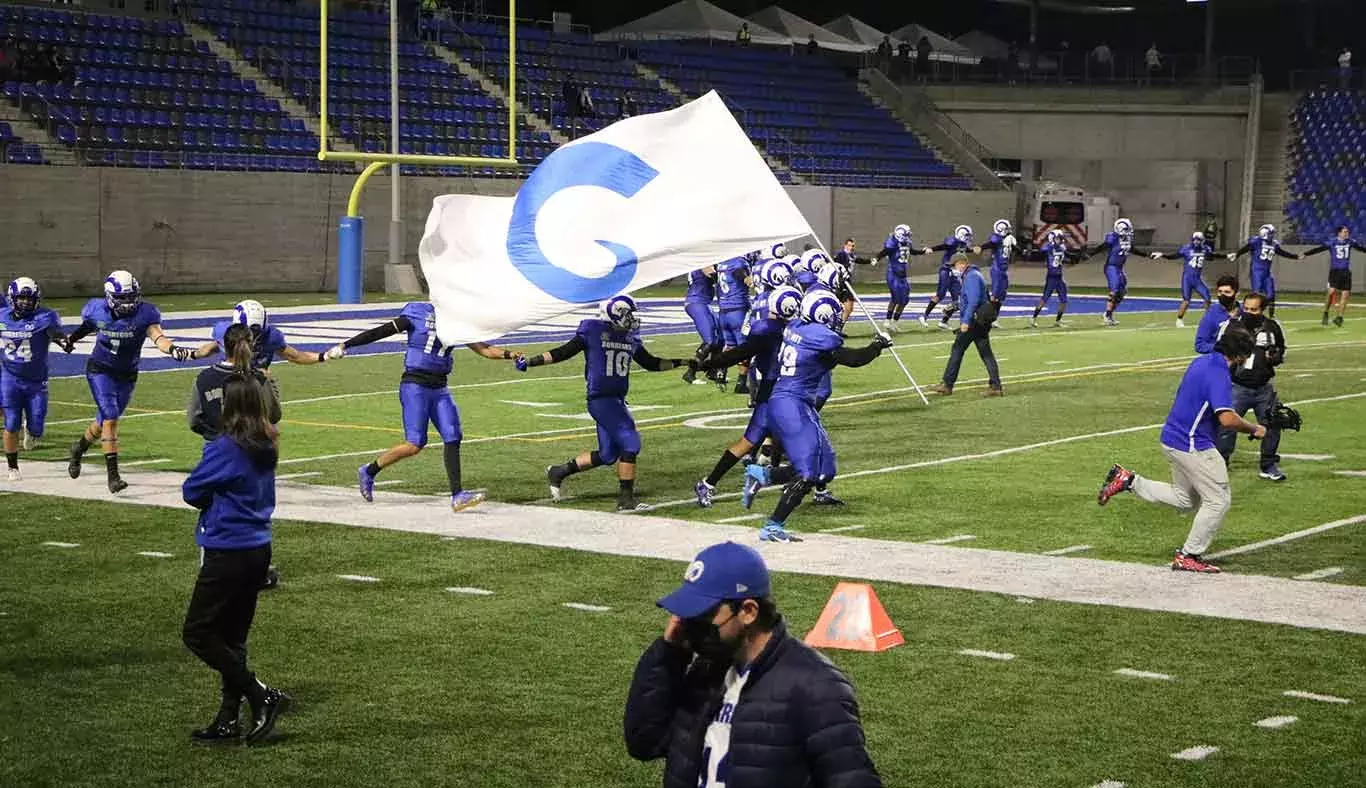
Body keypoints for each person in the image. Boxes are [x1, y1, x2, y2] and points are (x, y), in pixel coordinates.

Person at [624, 541, 883, 787]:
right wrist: (669, 654)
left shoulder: (816, 687)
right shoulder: (705, 671)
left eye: (703, 616)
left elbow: (851, 779)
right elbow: (644, 743)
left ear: (748, 611)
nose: (690, 626)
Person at [1097, 322, 1266, 574]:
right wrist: (1254, 428)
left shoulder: (1201, 362)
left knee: (1184, 499)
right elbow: (1227, 419)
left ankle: (1129, 481)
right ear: (1240, 356)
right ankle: (1189, 554)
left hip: (1173, 438)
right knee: (1218, 500)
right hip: (1192, 444)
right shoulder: (1218, 373)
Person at [324, 302, 521, 511]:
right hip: (415, 384)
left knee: (453, 435)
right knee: (415, 443)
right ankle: (369, 471)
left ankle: (457, 496)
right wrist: (346, 344)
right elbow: (382, 331)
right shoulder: (418, 313)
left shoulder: (458, 319)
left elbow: (485, 349)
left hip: (440, 386)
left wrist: (510, 355)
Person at [180, 373, 290, 745]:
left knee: (197, 633)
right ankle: (228, 718)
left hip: (227, 548)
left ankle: (259, 694)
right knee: (233, 637)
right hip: (259, 547)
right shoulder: (267, 441)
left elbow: (191, 491)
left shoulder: (225, 447)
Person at [740, 289, 890, 542]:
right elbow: (853, 359)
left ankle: (762, 474)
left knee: (825, 469)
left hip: (794, 403)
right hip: (791, 404)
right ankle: (773, 526)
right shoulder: (821, 338)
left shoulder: (798, 325)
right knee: (809, 472)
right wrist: (877, 345)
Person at [530, 295, 693, 511]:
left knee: (608, 455)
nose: (632, 319)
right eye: (627, 314)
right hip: (601, 399)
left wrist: (681, 362)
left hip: (616, 399)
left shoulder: (629, 338)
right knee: (631, 443)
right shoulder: (592, 331)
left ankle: (559, 471)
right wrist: (532, 361)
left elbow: (650, 363)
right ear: (613, 313)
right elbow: (563, 352)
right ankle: (626, 500)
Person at [62, 271, 203, 494]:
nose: (128, 303)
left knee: (103, 422)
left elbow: (158, 337)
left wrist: (173, 349)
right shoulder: (96, 310)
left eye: (131, 297)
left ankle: (78, 449)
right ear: (110, 297)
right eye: (122, 298)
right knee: (110, 417)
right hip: (101, 370)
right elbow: (89, 325)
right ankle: (113, 477)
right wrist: (71, 339)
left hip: (127, 374)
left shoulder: (145, 313)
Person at [188, 323, 284, 591]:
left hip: (216, 447)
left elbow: (194, 419)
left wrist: (213, 436)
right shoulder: (257, 378)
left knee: (215, 506)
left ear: (223, 345)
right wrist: (271, 381)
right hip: (256, 449)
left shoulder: (205, 377)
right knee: (256, 507)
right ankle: (258, 570)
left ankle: (211, 566)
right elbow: (274, 415)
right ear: (251, 345)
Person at [693, 285, 803, 507]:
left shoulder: (768, 328)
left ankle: (799, 481)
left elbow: (741, 353)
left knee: (787, 440)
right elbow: (742, 352)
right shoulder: (796, 330)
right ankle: (708, 482)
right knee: (756, 442)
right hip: (780, 393)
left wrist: (709, 363)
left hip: (779, 391)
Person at [1214, 292, 1288, 482]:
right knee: (1227, 426)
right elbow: (1218, 352)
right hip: (1237, 386)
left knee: (1273, 423)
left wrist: (1275, 357)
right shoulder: (1231, 326)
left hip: (1264, 387)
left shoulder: (1272, 327)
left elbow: (1281, 351)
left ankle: (1268, 464)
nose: (1248, 312)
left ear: (1262, 310)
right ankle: (1221, 463)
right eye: (1246, 308)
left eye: (1253, 309)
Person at [1, 277, 65, 481]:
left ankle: (32, 430)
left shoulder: (45, 316)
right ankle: (13, 467)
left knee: (36, 426)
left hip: (37, 381)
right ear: (12, 298)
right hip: (10, 377)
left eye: (30, 298)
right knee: (11, 422)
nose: (26, 302)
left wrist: (62, 340)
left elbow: (56, 333)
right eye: (21, 298)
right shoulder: (2, 316)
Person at [932, 252, 1003, 397]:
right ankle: (995, 386)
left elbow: (973, 301)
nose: (954, 269)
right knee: (986, 353)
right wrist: (953, 306)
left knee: (957, 349)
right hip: (979, 321)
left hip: (974, 321)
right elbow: (969, 299)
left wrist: (965, 322)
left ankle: (947, 384)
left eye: (954, 265)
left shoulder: (971, 277)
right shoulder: (972, 275)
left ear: (962, 263)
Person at [1227, 223, 1299, 318]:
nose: (1272, 235)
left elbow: (1282, 253)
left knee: (1270, 295)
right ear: (1264, 233)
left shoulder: (1274, 244)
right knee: (1257, 295)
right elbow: (1246, 248)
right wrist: (1237, 254)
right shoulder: (1256, 242)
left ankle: (1272, 316)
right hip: (1257, 271)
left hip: (1267, 273)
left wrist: (1296, 257)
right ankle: (1248, 314)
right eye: (1271, 233)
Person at [1087, 218, 1149, 326]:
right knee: (1114, 290)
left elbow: (1132, 249)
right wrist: (1090, 254)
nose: (1129, 231)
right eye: (1126, 229)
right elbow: (1103, 246)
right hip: (1111, 267)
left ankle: (1109, 314)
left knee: (1122, 292)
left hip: (1119, 268)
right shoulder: (1113, 237)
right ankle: (1107, 315)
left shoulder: (1126, 239)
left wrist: (1147, 255)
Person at [1300, 225, 1364, 326]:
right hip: (1335, 271)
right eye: (1344, 232)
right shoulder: (1332, 242)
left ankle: (1339, 317)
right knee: (1331, 292)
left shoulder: (1350, 242)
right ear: (1339, 233)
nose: (1347, 233)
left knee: (1345, 295)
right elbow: (1319, 249)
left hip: (1346, 272)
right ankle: (1326, 312)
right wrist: (1306, 253)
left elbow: (1361, 248)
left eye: (1347, 232)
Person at [1150, 230, 1214, 327]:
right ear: (1192, 240)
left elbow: (1213, 256)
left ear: (1202, 241)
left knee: (1207, 298)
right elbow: (1174, 256)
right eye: (1195, 240)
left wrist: (1226, 256)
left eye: (1198, 240)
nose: (1196, 242)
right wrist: (1163, 255)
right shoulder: (1186, 249)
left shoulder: (1205, 249)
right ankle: (1179, 319)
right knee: (1186, 300)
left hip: (1197, 279)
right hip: (1187, 279)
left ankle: (1208, 319)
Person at [873, 223, 929, 330]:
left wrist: (922, 252)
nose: (908, 237)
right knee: (896, 298)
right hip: (893, 274)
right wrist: (876, 258)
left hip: (903, 275)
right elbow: (884, 252)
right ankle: (887, 320)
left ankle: (895, 321)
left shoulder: (906, 242)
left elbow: (912, 251)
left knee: (905, 300)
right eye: (906, 235)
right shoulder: (892, 243)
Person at [920, 224, 974, 329]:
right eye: (967, 235)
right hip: (946, 270)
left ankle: (944, 321)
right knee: (940, 295)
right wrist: (931, 249)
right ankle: (924, 316)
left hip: (955, 273)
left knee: (959, 299)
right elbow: (943, 246)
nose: (968, 238)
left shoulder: (962, 244)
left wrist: (973, 250)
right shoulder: (952, 241)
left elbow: (964, 250)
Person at [715, 255, 753, 394]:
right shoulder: (738, 262)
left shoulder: (721, 262)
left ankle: (720, 374)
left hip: (724, 311)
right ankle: (741, 382)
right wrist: (747, 279)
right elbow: (739, 272)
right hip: (738, 310)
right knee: (744, 347)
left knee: (730, 345)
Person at [1029, 229, 1078, 327]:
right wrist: (1029, 252)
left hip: (1059, 277)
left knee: (1064, 300)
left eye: (1060, 238)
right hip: (1051, 277)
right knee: (1045, 298)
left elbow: (1068, 255)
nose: (1060, 240)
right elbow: (1039, 252)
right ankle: (1033, 318)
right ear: (1052, 238)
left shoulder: (1061, 248)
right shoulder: (1048, 248)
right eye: (1058, 238)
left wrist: (1078, 256)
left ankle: (1058, 321)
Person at [681, 265, 720, 385]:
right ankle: (690, 373)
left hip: (703, 302)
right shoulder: (704, 261)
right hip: (696, 302)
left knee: (720, 337)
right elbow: (712, 274)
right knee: (709, 340)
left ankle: (712, 371)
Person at [978, 218, 1017, 315]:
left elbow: (1015, 249)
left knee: (1001, 295)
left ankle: (994, 317)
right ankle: (986, 315)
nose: (1008, 231)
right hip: (997, 269)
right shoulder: (996, 238)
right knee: (994, 295)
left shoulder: (1008, 239)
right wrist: (981, 247)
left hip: (1004, 270)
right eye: (1006, 229)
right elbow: (991, 244)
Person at [1195, 275, 1241, 354]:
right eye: (1220, 292)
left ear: (1236, 294)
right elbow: (1200, 345)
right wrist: (1221, 348)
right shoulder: (1211, 313)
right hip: (1219, 359)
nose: (1222, 295)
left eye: (1227, 292)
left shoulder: (1245, 311)